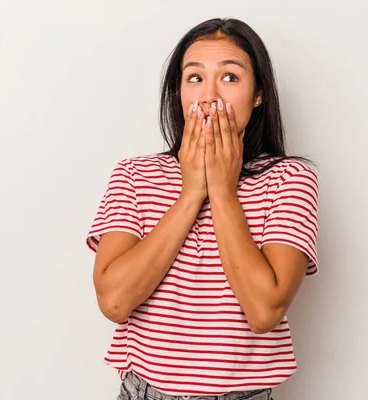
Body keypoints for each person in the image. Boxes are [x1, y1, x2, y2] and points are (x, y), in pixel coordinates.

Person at [86, 17, 319, 400]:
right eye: (194, 78)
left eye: (230, 77)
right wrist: (191, 193)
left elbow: (263, 311)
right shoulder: (134, 175)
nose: (209, 96)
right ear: (178, 91)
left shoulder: (289, 180)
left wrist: (223, 191)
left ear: (258, 93)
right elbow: (113, 300)